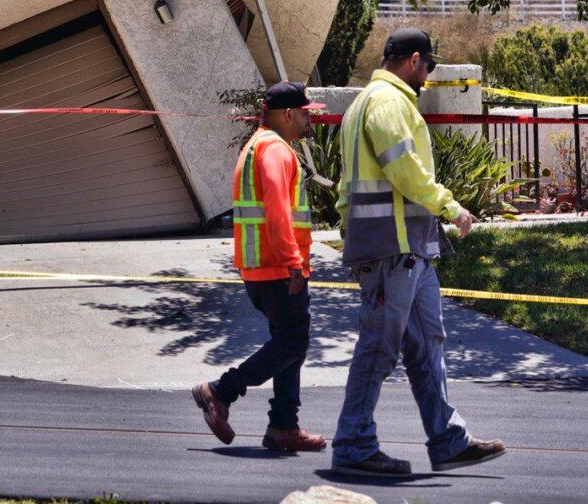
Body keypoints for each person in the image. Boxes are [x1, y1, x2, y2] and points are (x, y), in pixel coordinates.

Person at [331, 28, 506, 477]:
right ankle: (353, 443)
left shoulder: (359, 106)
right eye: (428, 65)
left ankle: (448, 439)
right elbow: (405, 171)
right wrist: (451, 206)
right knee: (379, 347)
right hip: (393, 251)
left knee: (428, 345)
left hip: (406, 250)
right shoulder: (388, 103)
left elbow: (343, 191)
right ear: (413, 60)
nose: (428, 74)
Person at [192, 81, 327, 452]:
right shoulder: (274, 151)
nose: (308, 120)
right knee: (293, 341)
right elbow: (277, 211)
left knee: (289, 344)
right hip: (277, 269)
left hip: (262, 268)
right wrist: (293, 264)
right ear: (287, 114)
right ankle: (221, 391)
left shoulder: (259, 145)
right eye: (304, 114)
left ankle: (284, 425)